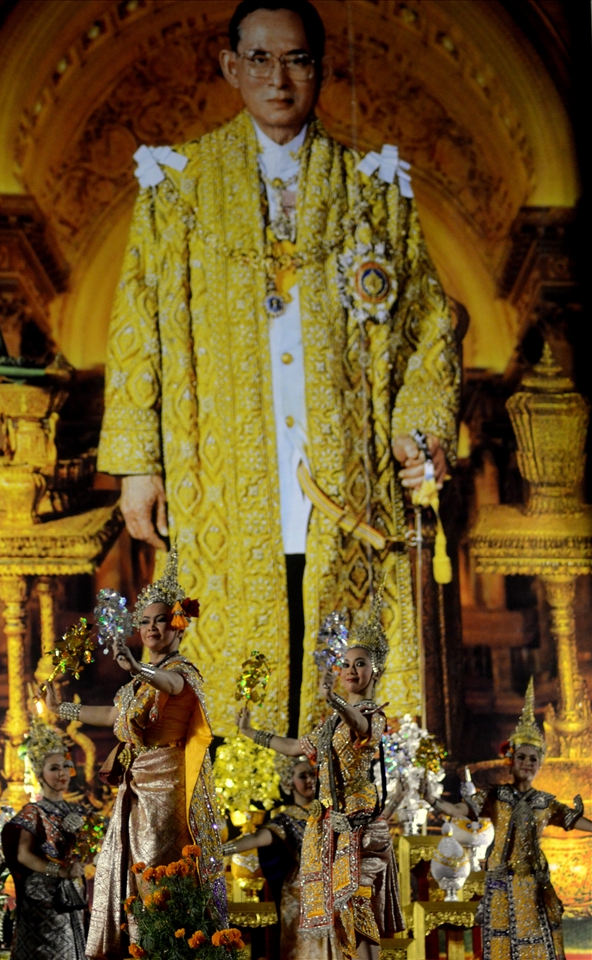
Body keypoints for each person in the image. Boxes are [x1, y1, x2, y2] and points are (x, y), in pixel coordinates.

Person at [96, 0, 461, 739]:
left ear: (320, 69)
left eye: (296, 59)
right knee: (241, 648)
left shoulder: (372, 190)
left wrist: (417, 434)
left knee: (343, 647)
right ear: (231, 67)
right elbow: (137, 326)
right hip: (224, 476)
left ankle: (343, 811)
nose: (279, 78)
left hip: (345, 479)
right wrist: (137, 464)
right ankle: (246, 820)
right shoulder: (178, 189)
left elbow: (427, 323)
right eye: (259, 59)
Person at [46, 549, 227, 960]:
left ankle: (163, 950)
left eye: (160, 620)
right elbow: (113, 714)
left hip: (166, 790)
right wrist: (64, 710)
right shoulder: (135, 688)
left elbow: (172, 686)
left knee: (155, 874)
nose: (150, 628)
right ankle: (136, 949)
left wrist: (138, 669)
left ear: (178, 625)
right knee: (128, 872)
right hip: (135, 786)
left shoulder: (182, 672)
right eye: (144, 621)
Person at [237, 594, 404, 960]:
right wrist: (252, 733)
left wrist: (336, 702)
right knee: (341, 912)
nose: (350, 670)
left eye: (359, 664)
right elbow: (297, 746)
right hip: (328, 823)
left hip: (356, 824)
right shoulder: (331, 722)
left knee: (358, 905)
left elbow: (359, 725)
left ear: (375, 671)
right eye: (345, 663)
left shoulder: (372, 715)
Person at [425, 679, 592, 960]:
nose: (527, 763)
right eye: (522, 757)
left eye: (533, 759)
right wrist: (432, 800)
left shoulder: (545, 802)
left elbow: (574, 820)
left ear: (539, 765)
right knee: (501, 943)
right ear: (511, 761)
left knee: (538, 944)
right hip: (501, 881)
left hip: (533, 882)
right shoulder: (495, 795)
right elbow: (461, 810)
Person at [223, 758, 327, 959]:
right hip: (301, 895)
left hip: (330, 891)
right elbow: (255, 839)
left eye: (312, 774)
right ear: (289, 783)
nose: (309, 780)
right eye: (302, 776)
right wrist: (218, 850)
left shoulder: (328, 813)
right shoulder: (286, 819)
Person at [1, 721, 87, 960]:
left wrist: (83, 865)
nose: (62, 773)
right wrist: (59, 871)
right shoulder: (33, 811)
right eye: (54, 768)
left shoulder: (79, 811)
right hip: (42, 898)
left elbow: (92, 848)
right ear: (39, 774)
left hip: (71, 893)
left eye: (66, 766)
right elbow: (23, 855)